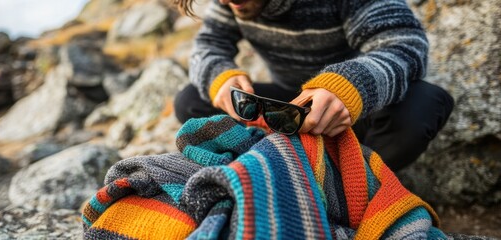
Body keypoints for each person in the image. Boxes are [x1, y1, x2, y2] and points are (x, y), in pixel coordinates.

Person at [172, 0, 454, 171]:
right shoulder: (230, 4)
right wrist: (220, 77)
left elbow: (404, 43)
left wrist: (348, 86)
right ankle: (274, 164)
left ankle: (350, 178)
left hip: (353, 110)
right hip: (288, 105)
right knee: (190, 100)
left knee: (424, 105)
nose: (224, 2)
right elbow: (208, 45)